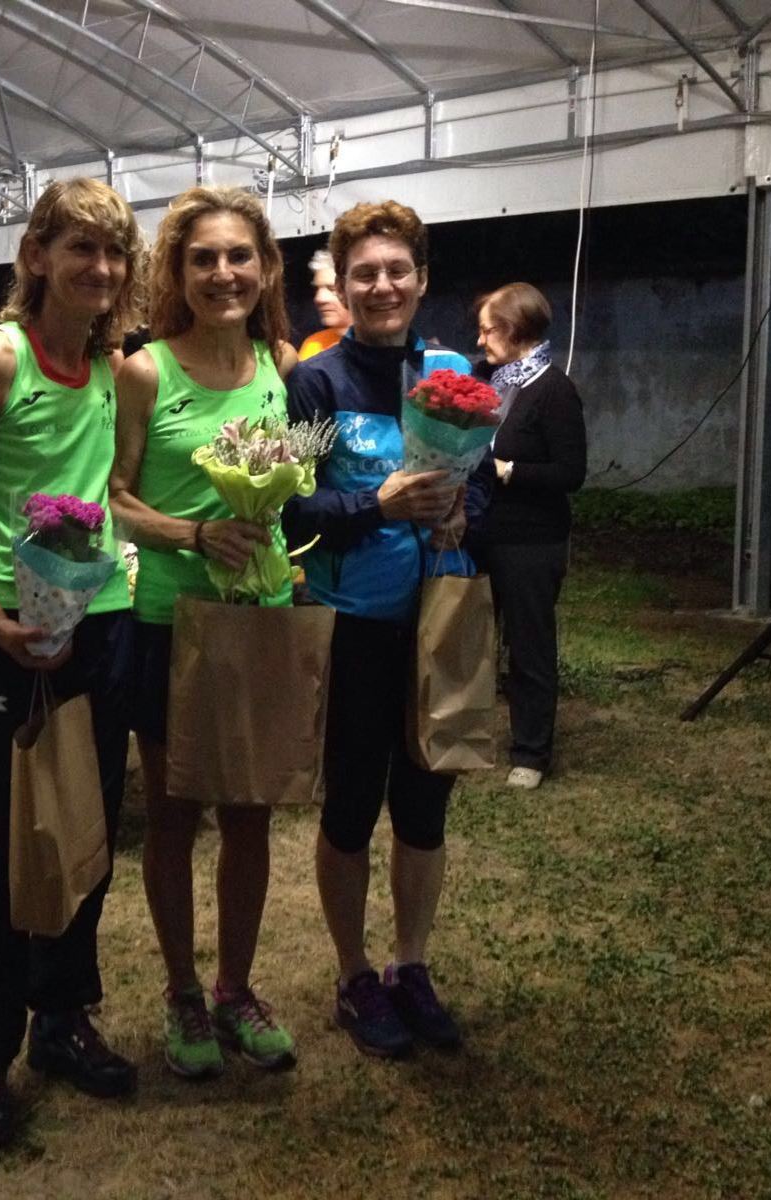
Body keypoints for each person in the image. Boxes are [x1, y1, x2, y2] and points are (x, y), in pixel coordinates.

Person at [0, 178, 144, 1150]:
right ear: (37, 255)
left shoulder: (117, 371)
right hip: (12, 636)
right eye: (81, 247)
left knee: (84, 834)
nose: (101, 267)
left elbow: (115, 494)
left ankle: (61, 1018)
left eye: (115, 251)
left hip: (103, 629)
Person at [283, 199, 485, 1059]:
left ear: (422, 279)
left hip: (439, 619)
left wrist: (465, 513)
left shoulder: (450, 370)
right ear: (341, 284)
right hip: (355, 627)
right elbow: (291, 512)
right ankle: (354, 974)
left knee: (426, 805)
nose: (382, 286)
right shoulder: (317, 383)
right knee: (353, 805)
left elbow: (482, 485)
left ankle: (412, 965)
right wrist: (377, 504)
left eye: (397, 270)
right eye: (363, 272)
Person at [110, 185, 299, 1080]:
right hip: (173, 622)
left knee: (251, 814)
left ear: (266, 268)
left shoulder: (280, 363)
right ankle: (182, 990)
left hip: (261, 619)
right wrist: (192, 533)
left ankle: (236, 988)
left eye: (239, 256)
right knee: (175, 814)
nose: (224, 273)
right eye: (203, 259)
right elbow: (113, 497)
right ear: (176, 274)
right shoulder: (146, 370)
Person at [471, 283, 587, 789]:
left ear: (514, 329)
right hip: (482, 532)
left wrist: (509, 470)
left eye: (487, 330)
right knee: (471, 639)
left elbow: (571, 472)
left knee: (528, 646)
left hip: (532, 541)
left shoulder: (554, 390)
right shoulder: (487, 381)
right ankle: (463, 734)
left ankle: (531, 752)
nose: (480, 340)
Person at [297, 248, 349, 360]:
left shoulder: (381, 343)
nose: (319, 298)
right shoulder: (313, 345)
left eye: (333, 289)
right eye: (317, 289)